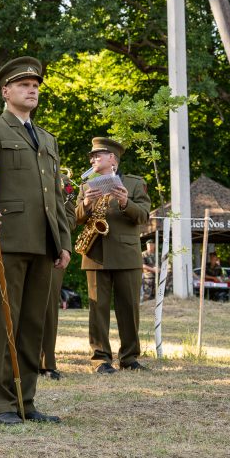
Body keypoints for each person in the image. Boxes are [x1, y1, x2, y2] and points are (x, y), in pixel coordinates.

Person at [0, 56, 71, 426]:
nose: (32, 90)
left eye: (36, 86)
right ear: (5, 91)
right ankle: (1, 403)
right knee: (2, 322)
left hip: (42, 242)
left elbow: (54, 197)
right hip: (4, 237)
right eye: (25, 85)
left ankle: (26, 400)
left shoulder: (47, 139)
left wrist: (63, 241)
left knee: (32, 325)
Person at [76, 137, 151, 374]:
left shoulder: (135, 184)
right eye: (92, 155)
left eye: (98, 155)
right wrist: (86, 203)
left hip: (127, 254)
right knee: (97, 310)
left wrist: (125, 202)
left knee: (129, 309)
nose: (93, 158)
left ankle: (129, 358)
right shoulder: (86, 185)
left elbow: (143, 216)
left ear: (112, 158)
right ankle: (100, 359)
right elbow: (75, 217)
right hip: (96, 253)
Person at [39, 168, 77, 380]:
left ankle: (46, 362)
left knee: (48, 308)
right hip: (21, 246)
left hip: (51, 249)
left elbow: (71, 218)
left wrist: (54, 221)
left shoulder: (65, 183)